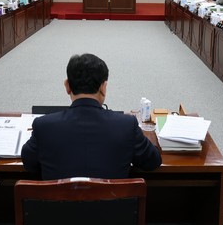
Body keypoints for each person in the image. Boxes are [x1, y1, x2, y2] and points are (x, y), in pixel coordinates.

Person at [21, 53, 162, 180]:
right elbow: (153, 162)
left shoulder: (44, 126)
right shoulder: (127, 125)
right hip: (112, 201)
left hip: (57, 202)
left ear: (67, 86)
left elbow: (29, 164)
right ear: (103, 87)